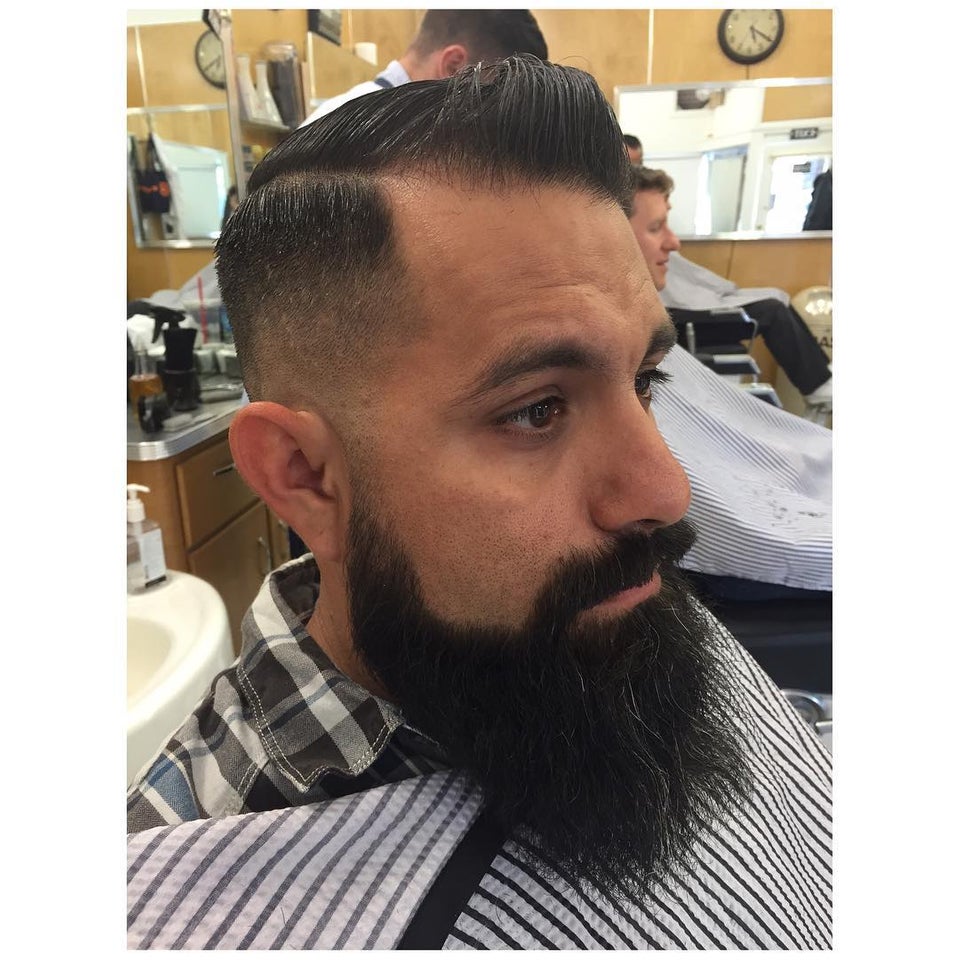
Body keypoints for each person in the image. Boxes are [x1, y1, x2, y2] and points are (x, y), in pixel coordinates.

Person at [127, 58, 831, 950]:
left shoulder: (611, 621)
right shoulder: (170, 906)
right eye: (536, 411)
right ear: (302, 476)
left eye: (645, 382)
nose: (665, 491)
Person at [626, 163, 831, 610]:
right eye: (656, 227)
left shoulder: (646, 337)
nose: (674, 242)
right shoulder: (627, 352)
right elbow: (731, 527)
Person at [629, 166, 833, 409]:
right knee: (773, 309)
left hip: (682, 311)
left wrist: (718, 291)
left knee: (776, 303)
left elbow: (693, 280)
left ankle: (823, 377)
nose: (674, 243)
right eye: (655, 227)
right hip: (684, 318)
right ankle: (820, 384)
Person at [299, 9, 548, 126]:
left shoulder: (384, 120)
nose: (490, 115)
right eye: (493, 95)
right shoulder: (368, 131)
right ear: (454, 67)